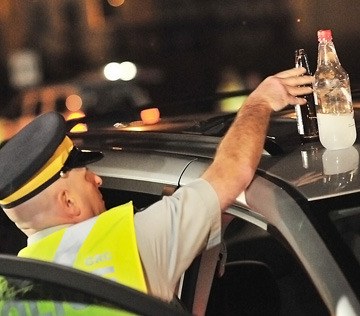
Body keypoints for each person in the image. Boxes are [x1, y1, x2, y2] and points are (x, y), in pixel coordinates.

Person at [0, 67, 313, 303]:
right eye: (86, 176)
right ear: (68, 202)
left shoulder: (11, 293)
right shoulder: (130, 244)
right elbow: (232, 172)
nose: (98, 179)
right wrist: (259, 101)